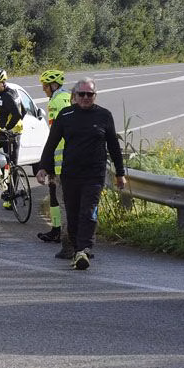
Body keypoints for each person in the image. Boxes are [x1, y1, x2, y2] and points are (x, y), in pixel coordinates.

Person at [34, 78, 127, 270]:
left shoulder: (104, 116)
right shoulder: (65, 115)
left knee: (89, 212)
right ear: (74, 96)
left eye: (89, 94)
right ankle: (77, 249)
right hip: (70, 175)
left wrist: (120, 173)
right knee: (74, 214)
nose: (86, 98)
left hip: (94, 175)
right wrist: (43, 168)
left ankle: (84, 249)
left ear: (95, 95)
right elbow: (51, 143)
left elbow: (114, 147)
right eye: (82, 94)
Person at [37, 68, 71, 242]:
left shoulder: (55, 102)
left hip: (60, 156)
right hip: (74, 154)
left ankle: (57, 230)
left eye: (45, 86)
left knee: (56, 195)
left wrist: (46, 160)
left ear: (53, 85)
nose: (44, 89)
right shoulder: (70, 97)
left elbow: (54, 133)